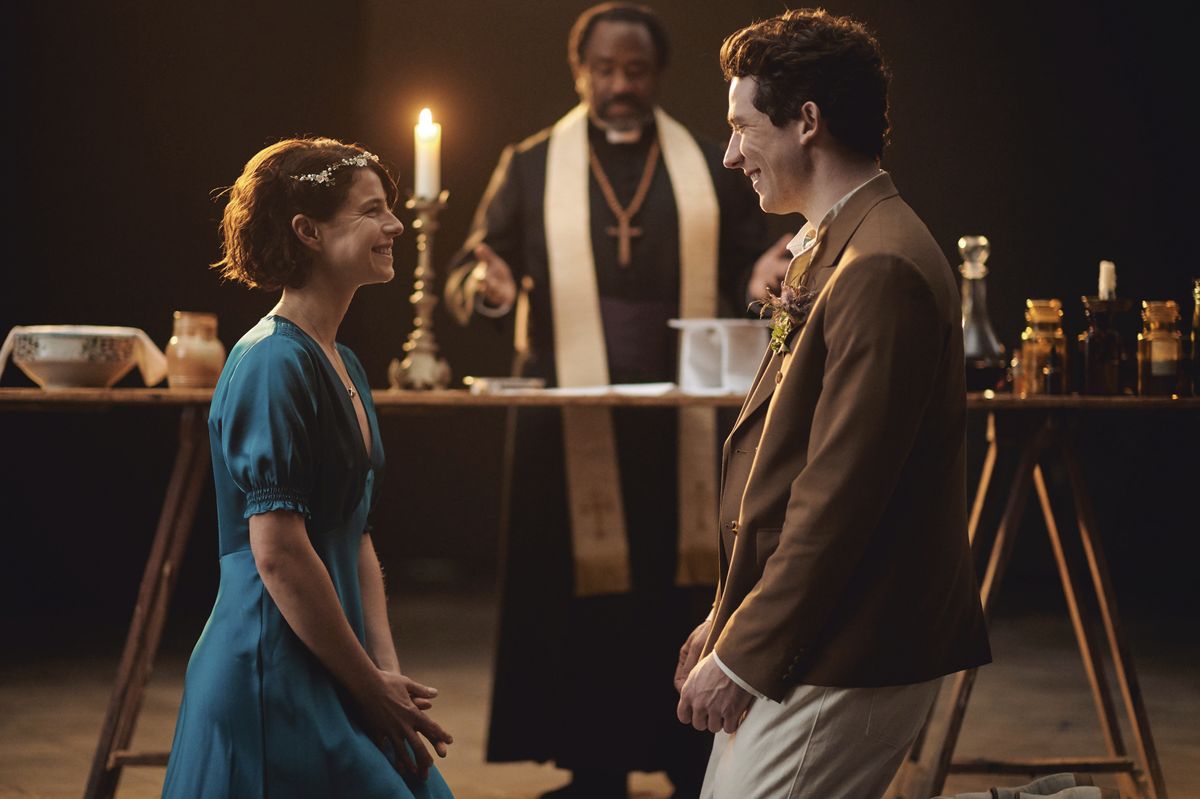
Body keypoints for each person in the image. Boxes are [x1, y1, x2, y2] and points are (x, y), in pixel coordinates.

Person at [442, 4, 777, 797]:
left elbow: (746, 262)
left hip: (682, 420)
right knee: (580, 597)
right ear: (580, 70)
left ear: (656, 75)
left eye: (635, 70)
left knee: (678, 589)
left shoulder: (705, 156)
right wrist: (486, 289)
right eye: (605, 69)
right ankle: (593, 769)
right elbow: (466, 271)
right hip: (571, 417)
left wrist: (760, 277)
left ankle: (684, 758)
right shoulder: (529, 164)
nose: (619, 84)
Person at [674, 10, 992, 799]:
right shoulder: (840, 240)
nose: (730, 152)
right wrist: (732, 615)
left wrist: (746, 651)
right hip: (814, 634)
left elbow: (837, 499)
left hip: (851, 645)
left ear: (806, 121)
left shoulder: (880, 265)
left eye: (742, 126)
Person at [162, 138, 455, 798]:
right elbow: (280, 555)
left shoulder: (343, 362)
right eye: (373, 210)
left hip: (337, 661)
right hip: (272, 666)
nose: (396, 226)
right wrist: (367, 686)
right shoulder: (271, 362)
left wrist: (384, 669)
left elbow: (357, 534)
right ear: (309, 231)